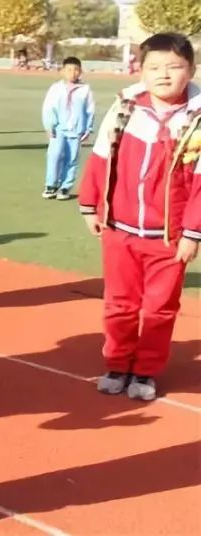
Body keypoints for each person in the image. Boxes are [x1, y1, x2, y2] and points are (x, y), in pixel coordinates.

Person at [78, 32, 200, 402]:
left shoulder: (196, 120)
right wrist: (90, 203)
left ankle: (146, 370)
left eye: (174, 67)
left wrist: (193, 233)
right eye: (154, 67)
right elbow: (101, 158)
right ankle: (117, 363)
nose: (164, 75)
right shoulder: (125, 108)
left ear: (191, 69)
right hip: (120, 230)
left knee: (160, 309)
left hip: (168, 237)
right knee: (119, 303)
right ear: (141, 71)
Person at [41, 56, 95, 200]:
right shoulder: (56, 88)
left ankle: (65, 187)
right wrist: (49, 125)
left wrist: (88, 129)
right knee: (54, 156)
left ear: (80, 72)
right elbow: (49, 107)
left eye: (76, 70)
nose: (73, 73)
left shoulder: (85, 89)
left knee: (72, 158)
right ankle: (51, 185)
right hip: (58, 129)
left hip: (76, 130)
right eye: (69, 70)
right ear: (62, 72)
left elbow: (89, 110)